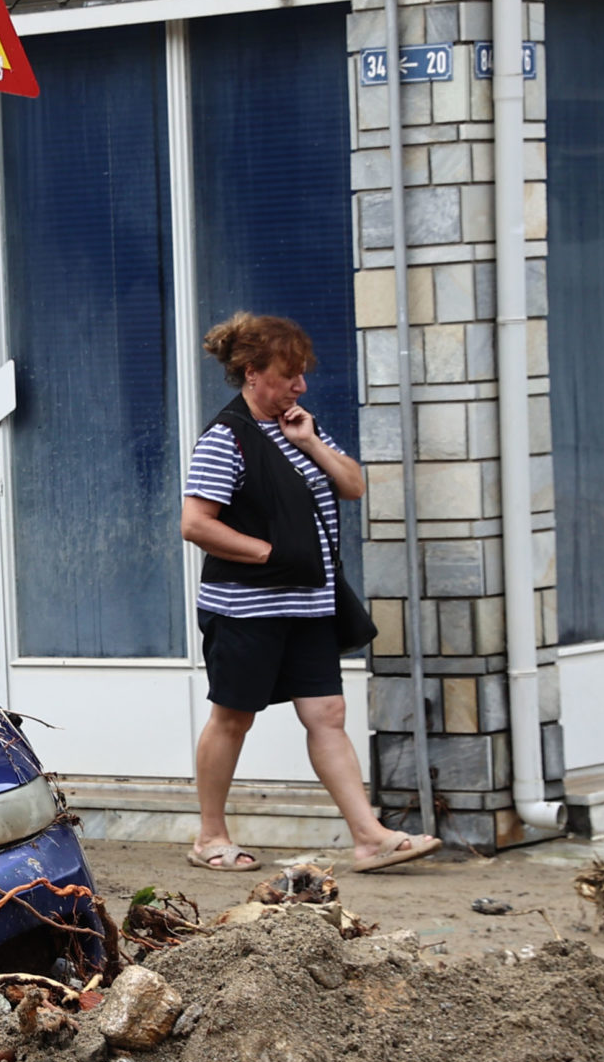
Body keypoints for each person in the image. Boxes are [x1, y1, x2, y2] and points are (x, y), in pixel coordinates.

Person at [183, 312, 438, 874]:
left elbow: (353, 485)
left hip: (309, 604)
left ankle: (369, 837)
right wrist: (269, 554)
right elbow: (196, 524)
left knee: (327, 712)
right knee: (233, 717)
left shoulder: (299, 427)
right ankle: (210, 837)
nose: (299, 386)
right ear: (252, 373)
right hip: (247, 608)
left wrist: (310, 442)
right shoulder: (227, 437)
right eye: (288, 375)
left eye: (302, 375)